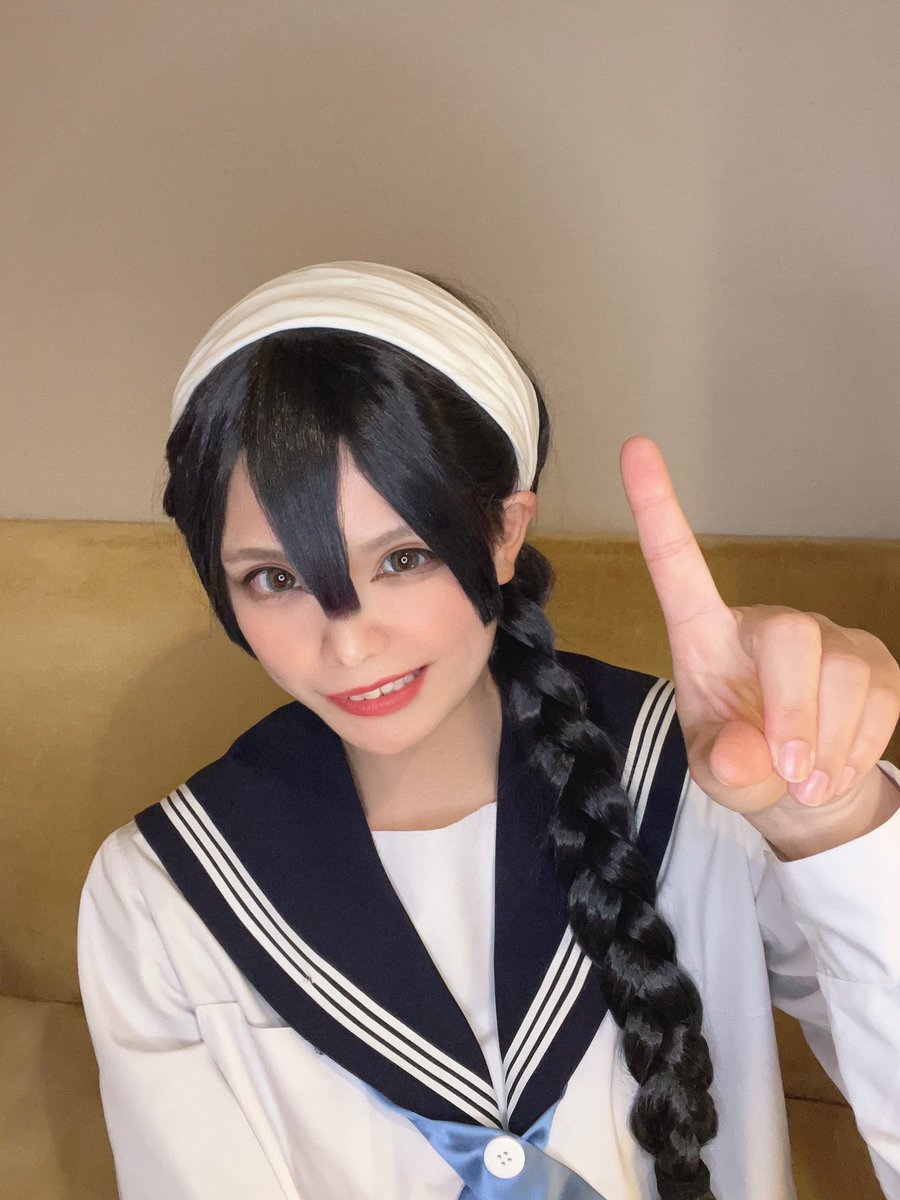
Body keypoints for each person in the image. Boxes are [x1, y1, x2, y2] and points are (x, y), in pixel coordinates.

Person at [77, 261, 900, 1200]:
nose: (349, 645)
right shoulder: (159, 895)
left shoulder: (703, 785)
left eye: (403, 557)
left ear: (506, 531)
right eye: (276, 578)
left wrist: (830, 820)